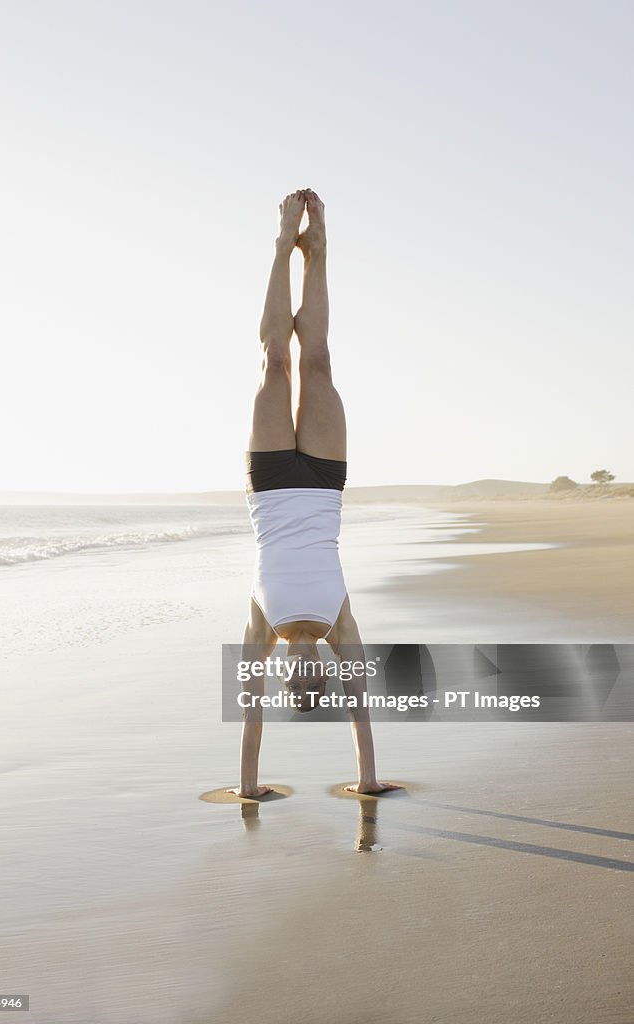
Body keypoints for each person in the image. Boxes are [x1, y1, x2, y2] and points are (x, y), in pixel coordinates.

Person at [229, 189, 399, 799]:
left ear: (284, 679)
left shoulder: (260, 627)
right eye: (312, 684)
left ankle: (282, 247)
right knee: (319, 362)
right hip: (325, 487)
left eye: (293, 686)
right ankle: (318, 254)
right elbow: (363, 720)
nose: (301, 678)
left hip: (271, 489)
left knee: (275, 362)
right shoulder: (341, 627)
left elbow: (250, 726)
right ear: (323, 673)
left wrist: (247, 790)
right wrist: (369, 782)